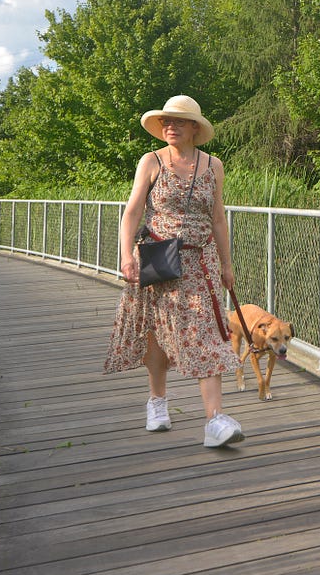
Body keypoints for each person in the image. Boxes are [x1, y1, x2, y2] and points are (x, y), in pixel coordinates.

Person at [103, 95, 244, 448]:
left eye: (178, 121)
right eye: (166, 121)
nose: (170, 126)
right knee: (155, 332)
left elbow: (218, 218)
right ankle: (157, 401)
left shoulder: (213, 165)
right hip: (156, 256)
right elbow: (133, 210)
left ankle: (214, 421)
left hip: (200, 262)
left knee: (207, 335)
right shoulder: (151, 161)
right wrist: (126, 256)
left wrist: (227, 265)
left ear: (194, 127)